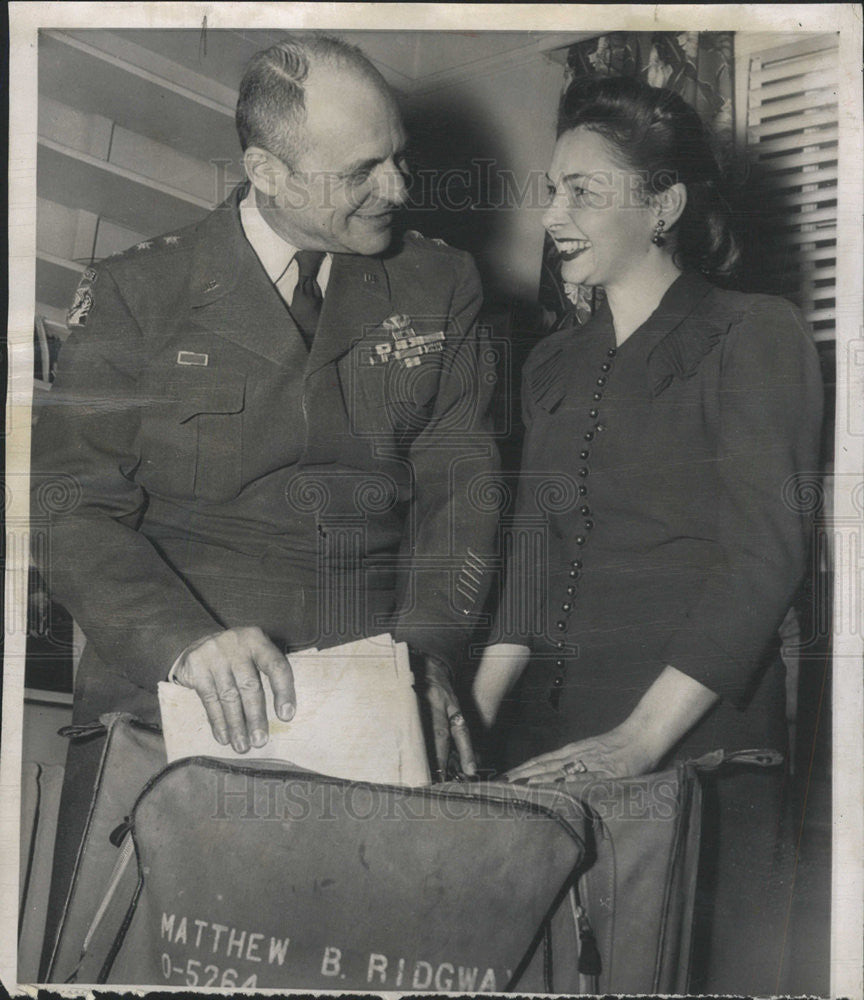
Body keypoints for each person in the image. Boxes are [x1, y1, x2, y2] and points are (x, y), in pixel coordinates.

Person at [33, 33, 498, 975]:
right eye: (363, 169)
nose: (400, 190)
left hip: (370, 704)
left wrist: (430, 656)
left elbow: (464, 493)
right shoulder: (138, 291)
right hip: (166, 704)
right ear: (266, 171)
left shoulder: (438, 283)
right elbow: (67, 507)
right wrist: (187, 641)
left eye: (399, 156)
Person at [471, 76, 823, 994]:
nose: (553, 216)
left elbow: (766, 554)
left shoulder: (754, 333)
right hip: (553, 743)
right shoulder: (553, 361)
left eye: (582, 191)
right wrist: (469, 728)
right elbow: (531, 561)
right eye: (551, 191)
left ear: (662, 204)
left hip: (695, 745)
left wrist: (638, 739)